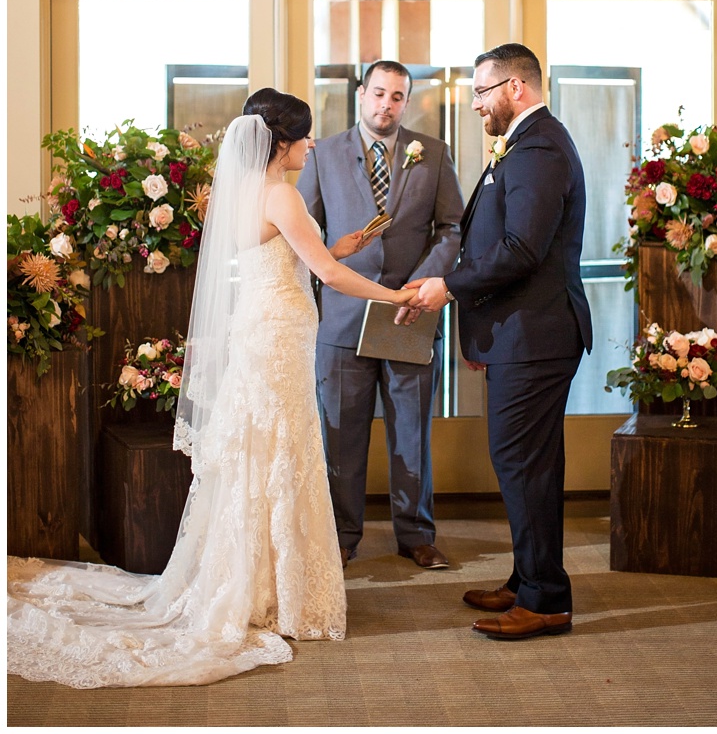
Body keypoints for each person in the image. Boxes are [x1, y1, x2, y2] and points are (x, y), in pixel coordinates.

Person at [7, 90, 417, 688]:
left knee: (260, 453)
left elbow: (295, 257)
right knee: (281, 454)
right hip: (278, 338)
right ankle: (276, 594)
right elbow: (324, 275)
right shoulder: (281, 192)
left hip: (261, 332)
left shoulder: (242, 192)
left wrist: (338, 245)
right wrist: (398, 296)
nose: (310, 145)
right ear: (280, 144)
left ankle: (251, 585)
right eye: (303, 137)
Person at [404, 44, 592, 641]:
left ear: (515, 88)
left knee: (523, 466)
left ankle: (545, 599)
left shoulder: (538, 148)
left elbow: (520, 250)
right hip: (518, 334)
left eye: (482, 92)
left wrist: (448, 289)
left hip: (535, 337)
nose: (476, 103)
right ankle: (526, 579)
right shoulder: (526, 144)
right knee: (525, 466)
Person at [298, 60, 465, 571]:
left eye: (396, 97)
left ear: (406, 102)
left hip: (409, 314)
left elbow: (452, 227)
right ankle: (342, 537)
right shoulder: (323, 154)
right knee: (341, 435)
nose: (385, 105)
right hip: (343, 317)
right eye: (377, 94)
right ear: (361, 95)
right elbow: (303, 234)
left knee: (411, 432)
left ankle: (415, 534)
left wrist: (421, 286)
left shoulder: (432, 153)